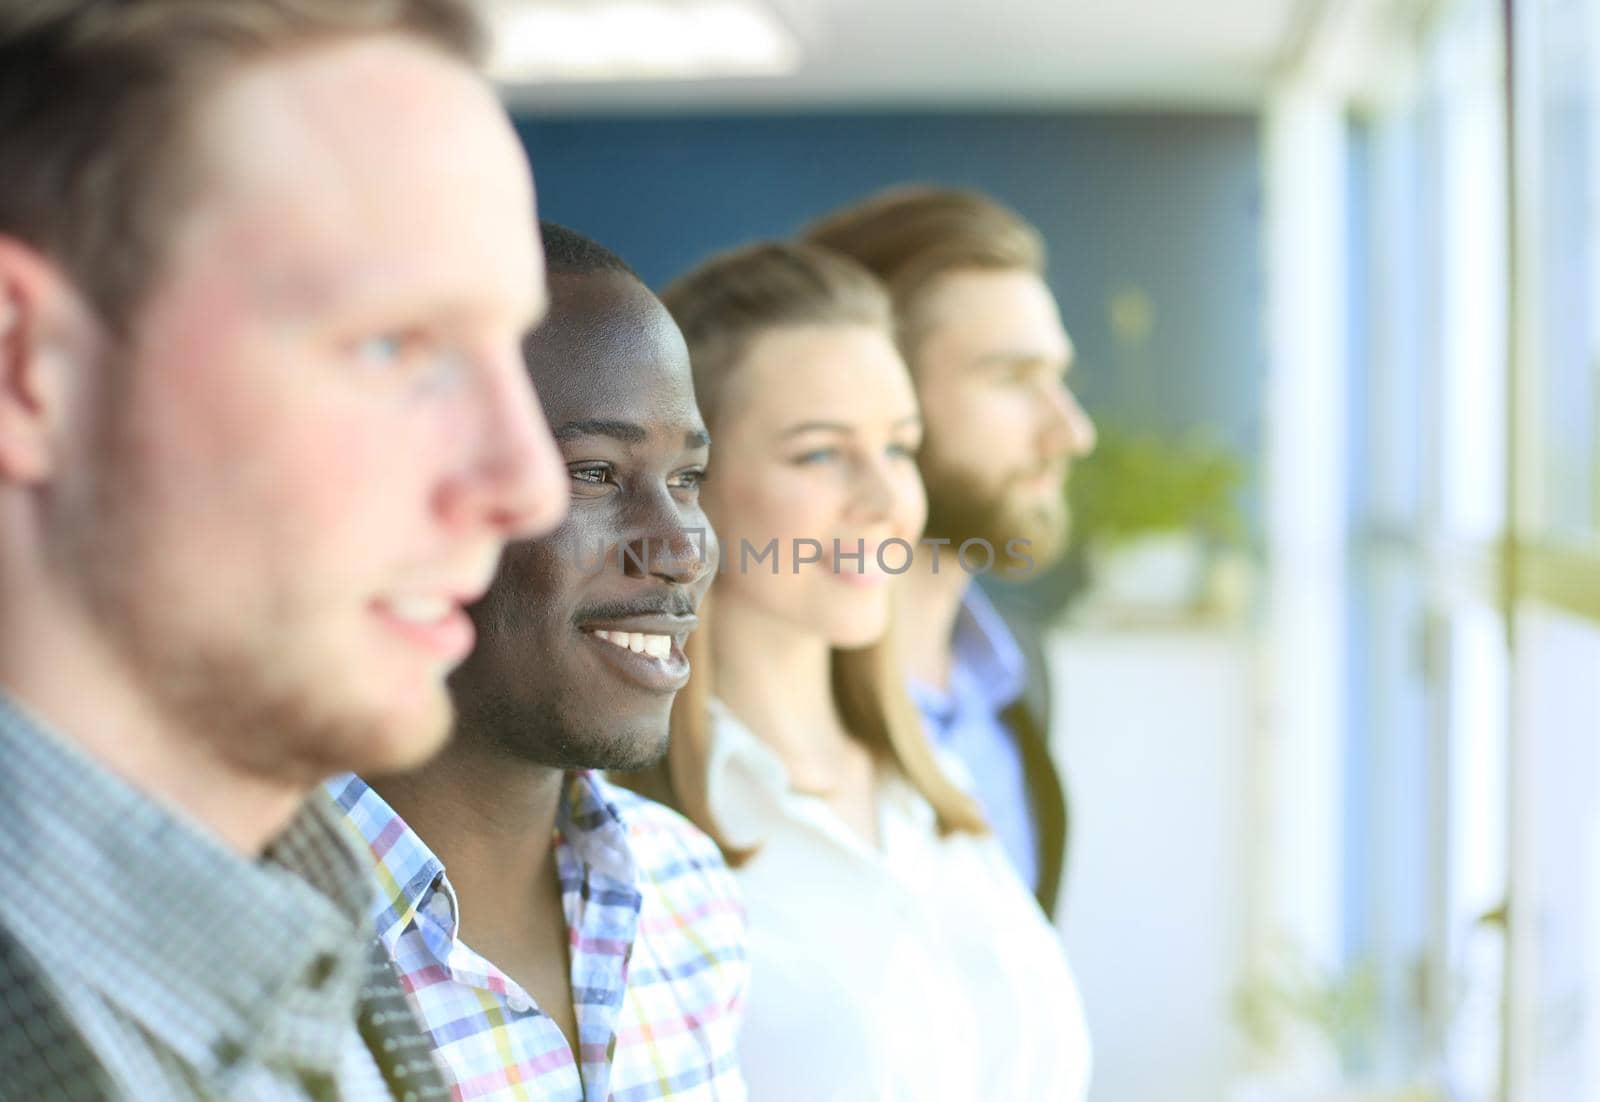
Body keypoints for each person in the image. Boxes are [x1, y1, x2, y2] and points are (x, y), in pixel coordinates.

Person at [0, 2, 566, 1097]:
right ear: (26, 368)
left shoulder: (319, 935)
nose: (527, 483)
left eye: (508, 350)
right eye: (399, 344)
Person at [631, 240, 1089, 1100]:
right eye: (820, 454)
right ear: (692, 486)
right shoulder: (635, 840)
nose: (886, 501)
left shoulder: (938, 786)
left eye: (901, 448)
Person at [333, 224, 747, 1102]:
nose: (677, 551)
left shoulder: (687, 891)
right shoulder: (249, 939)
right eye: (595, 472)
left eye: (687, 481)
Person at [802, 186, 1098, 918]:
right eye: (1012, 379)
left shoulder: (1016, 681)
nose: (1071, 431)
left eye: (1057, 379)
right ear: (875, 399)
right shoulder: (751, 718)